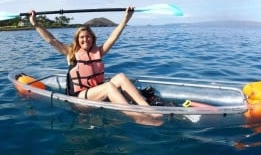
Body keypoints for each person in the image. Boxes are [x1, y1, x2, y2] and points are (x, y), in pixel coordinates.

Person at [29, 7, 162, 126]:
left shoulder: (99, 52)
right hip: (79, 101)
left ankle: (148, 109)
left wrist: (126, 18)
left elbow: (114, 36)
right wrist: (35, 23)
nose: (85, 40)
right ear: (77, 40)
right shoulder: (70, 54)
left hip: (95, 96)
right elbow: (51, 40)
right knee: (109, 86)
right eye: (82, 37)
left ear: (92, 38)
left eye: (88, 37)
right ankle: (135, 116)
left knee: (121, 77)